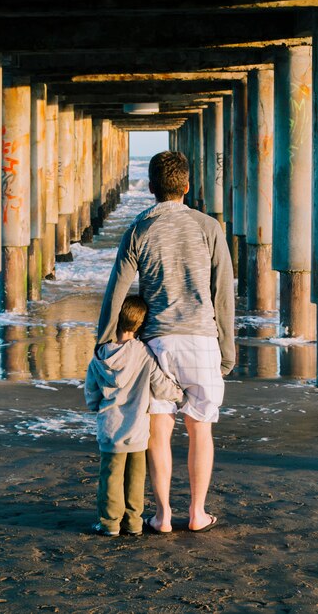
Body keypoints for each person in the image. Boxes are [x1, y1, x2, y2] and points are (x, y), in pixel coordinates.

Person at [97, 151, 235, 534]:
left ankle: (161, 516)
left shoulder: (139, 228)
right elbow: (223, 293)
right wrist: (228, 348)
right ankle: (197, 512)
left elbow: (116, 293)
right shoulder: (208, 227)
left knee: (159, 430)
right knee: (200, 428)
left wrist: (106, 342)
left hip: (156, 344)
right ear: (187, 187)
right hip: (202, 339)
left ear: (152, 189)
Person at [85, 295, 183, 537]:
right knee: (136, 479)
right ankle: (134, 523)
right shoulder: (143, 354)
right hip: (138, 429)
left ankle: (109, 523)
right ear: (140, 325)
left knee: (110, 478)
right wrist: (181, 393)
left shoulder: (100, 355)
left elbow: (91, 396)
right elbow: (161, 386)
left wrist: (99, 405)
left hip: (110, 429)